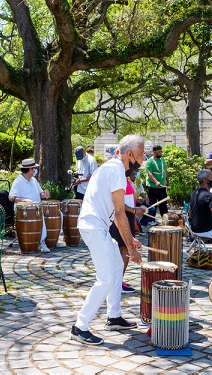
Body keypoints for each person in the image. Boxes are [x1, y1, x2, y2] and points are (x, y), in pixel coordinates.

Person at [71, 134, 144, 346]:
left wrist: (130, 239)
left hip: (97, 225)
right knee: (105, 279)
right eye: (140, 155)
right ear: (130, 155)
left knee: (116, 265)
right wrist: (131, 248)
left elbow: (114, 213)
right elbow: (120, 213)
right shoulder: (116, 171)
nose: (142, 160)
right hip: (94, 227)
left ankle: (114, 317)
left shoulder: (110, 168)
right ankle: (80, 327)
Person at [108, 167, 146, 294]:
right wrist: (134, 210)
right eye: (134, 168)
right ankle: (117, 282)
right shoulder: (120, 180)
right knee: (123, 248)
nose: (136, 170)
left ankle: (118, 280)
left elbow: (127, 198)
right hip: (122, 216)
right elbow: (117, 203)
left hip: (128, 216)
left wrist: (136, 206)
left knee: (123, 249)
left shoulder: (127, 179)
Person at [9, 158, 54, 253]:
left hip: (36, 208)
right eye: (34, 168)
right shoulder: (18, 181)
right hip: (23, 210)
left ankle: (53, 240)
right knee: (39, 216)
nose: (35, 170)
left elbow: (41, 193)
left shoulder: (33, 180)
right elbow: (11, 197)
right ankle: (41, 242)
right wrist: (23, 200)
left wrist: (45, 193)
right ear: (30, 169)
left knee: (59, 215)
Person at [145, 145, 169, 217]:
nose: (161, 153)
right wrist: (156, 182)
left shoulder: (162, 160)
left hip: (162, 186)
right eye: (159, 152)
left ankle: (165, 218)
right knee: (153, 204)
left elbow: (165, 171)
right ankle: (152, 220)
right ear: (154, 152)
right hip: (152, 186)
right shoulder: (149, 161)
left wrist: (167, 181)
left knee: (163, 203)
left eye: (161, 151)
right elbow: (149, 173)